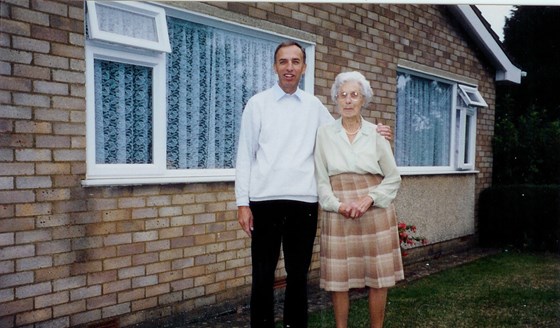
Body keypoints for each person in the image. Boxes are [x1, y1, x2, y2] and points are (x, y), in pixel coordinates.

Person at [235, 42, 392, 328]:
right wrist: (242, 203)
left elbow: (342, 130)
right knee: (262, 275)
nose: (289, 67)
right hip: (264, 202)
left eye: (296, 62)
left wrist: (375, 131)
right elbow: (245, 155)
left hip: (303, 203)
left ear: (304, 67)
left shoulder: (313, 106)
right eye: (283, 62)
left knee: (297, 277)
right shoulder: (257, 105)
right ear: (275, 67)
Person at [313, 71, 403, 328]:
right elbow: (321, 180)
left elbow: (393, 177)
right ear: (336, 100)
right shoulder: (324, 134)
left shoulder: (377, 133)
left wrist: (369, 198)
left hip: (374, 212)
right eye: (343, 95)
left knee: (378, 277)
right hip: (338, 212)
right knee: (338, 279)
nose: (348, 100)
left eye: (354, 95)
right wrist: (337, 205)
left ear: (364, 99)